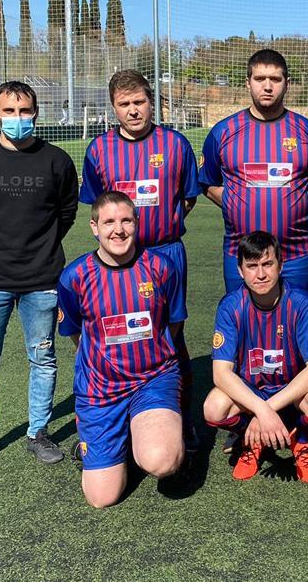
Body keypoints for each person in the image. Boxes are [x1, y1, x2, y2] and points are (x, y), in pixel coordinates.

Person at [0, 81, 79, 471]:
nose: (17, 119)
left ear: (36, 113)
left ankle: (38, 432)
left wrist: (37, 247)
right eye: (9, 111)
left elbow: (67, 213)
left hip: (41, 278)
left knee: (42, 358)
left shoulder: (56, 161)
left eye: (24, 112)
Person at [80, 69, 199, 442]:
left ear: (152, 102)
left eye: (139, 102)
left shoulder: (176, 145)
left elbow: (188, 197)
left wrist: (160, 225)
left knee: (172, 339)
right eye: (124, 104)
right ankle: (118, 421)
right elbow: (96, 207)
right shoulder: (98, 150)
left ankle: (181, 419)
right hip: (119, 262)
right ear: (114, 108)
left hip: (165, 253)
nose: (133, 111)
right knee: (120, 337)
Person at [57, 191, 187, 507]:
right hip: (101, 389)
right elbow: (76, 333)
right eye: (109, 222)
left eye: (126, 220)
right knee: (101, 498)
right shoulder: (74, 277)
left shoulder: (162, 267)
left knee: (161, 461)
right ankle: (112, 438)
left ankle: (151, 433)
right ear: (94, 227)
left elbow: (172, 325)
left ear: (136, 223)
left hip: (152, 379)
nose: (119, 229)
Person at [203, 231, 308, 483]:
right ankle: (249, 437)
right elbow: (220, 373)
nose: (261, 274)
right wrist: (259, 411)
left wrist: (265, 411)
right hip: (251, 395)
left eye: (267, 264)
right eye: (252, 266)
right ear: (241, 271)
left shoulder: (301, 303)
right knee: (213, 408)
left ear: (281, 265)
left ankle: (301, 438)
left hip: (293, 395)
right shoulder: (231, 306)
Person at [199, 49, 308, 293]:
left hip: (294, 255)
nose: (267, 86)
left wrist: (298, 203)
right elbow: (208, 182)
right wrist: (232, 203)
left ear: (287, 84)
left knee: (293, 324)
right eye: (259, 79)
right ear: (248, 83)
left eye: (275, 79)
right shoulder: (223, 132)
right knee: (242, 324)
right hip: (241, 255)